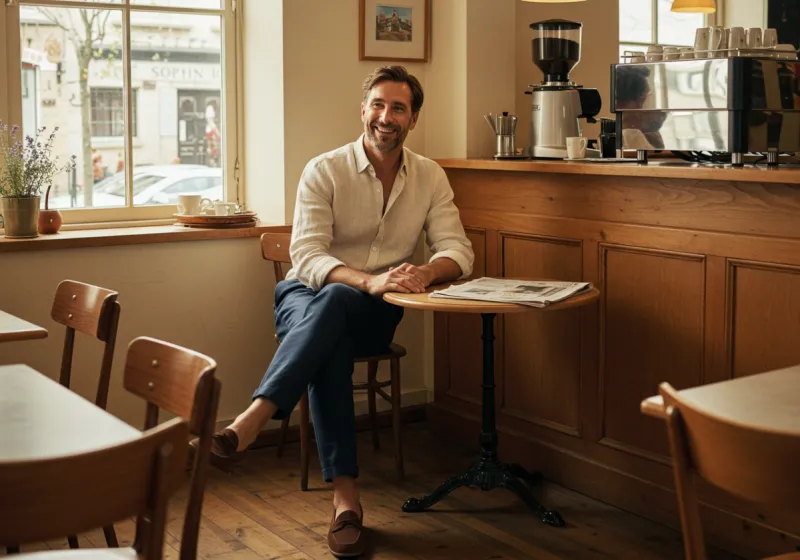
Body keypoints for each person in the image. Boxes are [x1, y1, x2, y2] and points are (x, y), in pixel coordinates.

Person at [193, 66, 474, 557]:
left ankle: (255, 416)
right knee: (335, 314)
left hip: (378, 310)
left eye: (399, 108)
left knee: (339, 322)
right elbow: (306, 257)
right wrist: (367, 278)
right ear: (363, 110)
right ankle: (346, 503)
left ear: (414, 119)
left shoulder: (430, 176)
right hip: (305, 297)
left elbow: (458, 250)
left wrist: (423, 274)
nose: (386, 117)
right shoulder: (324, 169)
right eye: (378, 105)